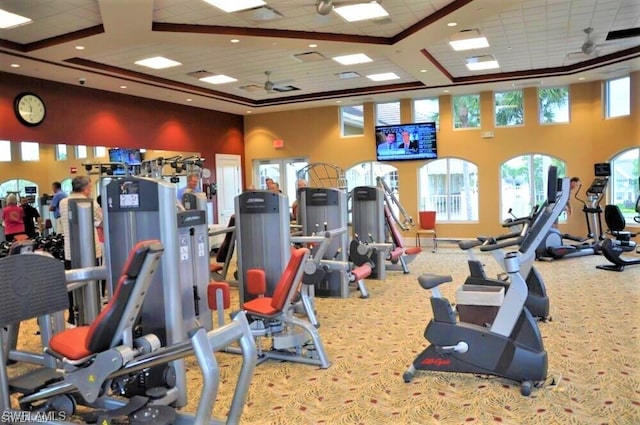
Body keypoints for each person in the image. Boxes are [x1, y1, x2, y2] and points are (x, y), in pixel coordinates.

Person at [59, 176, 103, 327]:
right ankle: (94, 315)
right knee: (93, 283)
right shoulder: (91, 203)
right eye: (90, 187)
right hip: (91, 251)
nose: (90, 190)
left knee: (72, 285)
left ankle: (73, 318)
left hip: (70, 252)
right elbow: (101, 222)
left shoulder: (63, 202)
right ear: (85, 188)